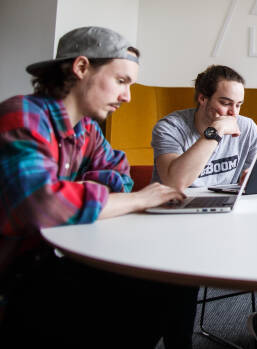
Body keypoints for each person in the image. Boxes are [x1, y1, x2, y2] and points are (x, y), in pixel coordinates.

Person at [0, 26, 194, 348]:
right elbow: (42, 203)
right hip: (15, 276)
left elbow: (119, 173)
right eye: (121, 81)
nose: (128, 96)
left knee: (171, 278)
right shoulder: (22, 116)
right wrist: (136, 200)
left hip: (51, 259)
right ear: (80, 68)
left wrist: (73, 191)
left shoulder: (86, 129)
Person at [150, 64, 257, 348]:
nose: (234, 113)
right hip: (178, 223)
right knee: (181, 272)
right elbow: (176, 182)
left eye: (238, 104)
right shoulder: (170, 127)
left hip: (228, 216)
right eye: (225, 103)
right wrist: (213, 133)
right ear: (202, 98)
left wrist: (256, 175)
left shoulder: (246, 126)